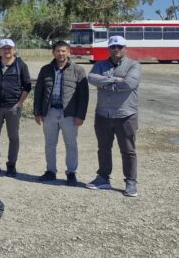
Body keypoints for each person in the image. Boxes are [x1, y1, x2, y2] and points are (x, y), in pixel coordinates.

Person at [85, 35, 141, 197]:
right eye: (113, 47)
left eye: (119, 46)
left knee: (128, 150)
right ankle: (103, 178)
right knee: (103, 148)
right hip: (103, 114)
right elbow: (91, 78)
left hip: (126, 115)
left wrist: (105, 83)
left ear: (125, 48)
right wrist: (115, 80)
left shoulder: (134, 65)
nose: (116, 49)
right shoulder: (100, 64)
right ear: (108, 48)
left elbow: (129, 84)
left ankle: (130, 181)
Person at [33, 40, 89, 186]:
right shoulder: (45, 69)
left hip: (69, 114)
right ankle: (50, 171)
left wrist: (80, 116)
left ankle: (71, 173)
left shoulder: (78, 70)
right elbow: (38, 91)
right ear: (53, 52)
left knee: (71, 144)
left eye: (64, 51)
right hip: (50, 112)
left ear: (69, 52)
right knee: (50, 144)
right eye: (58, 50)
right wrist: (37, 112)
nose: (61, 53)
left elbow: (84, 96)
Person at [0, 39, 32, 177]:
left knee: (13, 137)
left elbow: (27, 85)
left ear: (14, 49)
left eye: (9, 48)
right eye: (4, 48)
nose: (7, 51)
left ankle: (11, 165)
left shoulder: (20, 65)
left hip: (13, 107)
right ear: (0, 50)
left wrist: (19, 103)